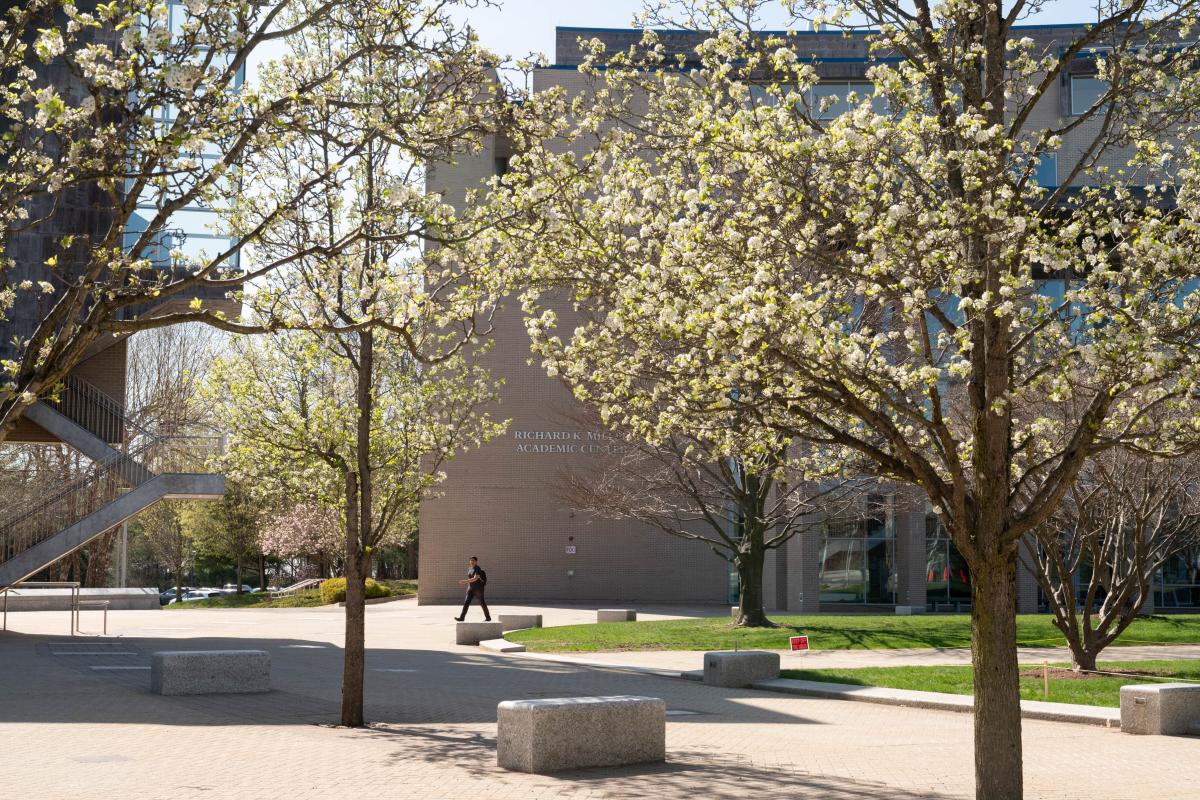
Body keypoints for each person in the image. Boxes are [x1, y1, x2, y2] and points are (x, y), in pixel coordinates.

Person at [454, 556, 490, 622]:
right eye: (470, 560)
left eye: (473, 560)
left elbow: (475, 578)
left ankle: (488, 617)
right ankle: (462, 618)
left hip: (478, 589)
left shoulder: (478, 568)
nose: (471, 561)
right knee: (466, 603)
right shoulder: (470, 568)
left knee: (482, 603)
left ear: (476, 561)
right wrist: (468, 585)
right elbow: (470, 578)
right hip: (470, 589)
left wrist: (464, 581)